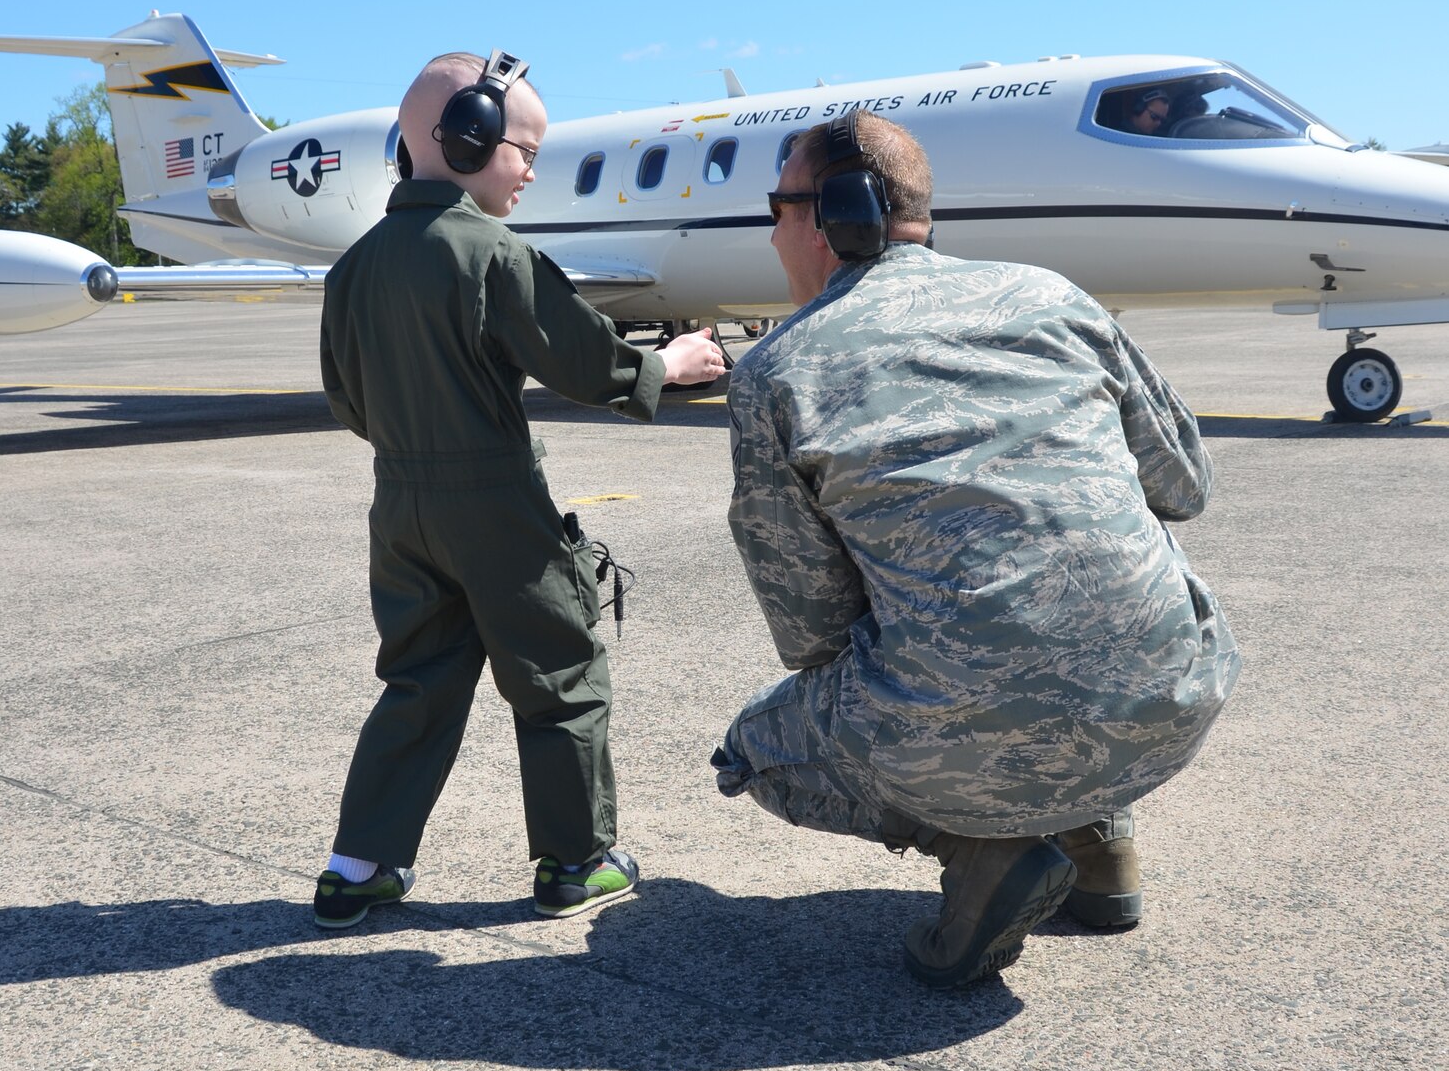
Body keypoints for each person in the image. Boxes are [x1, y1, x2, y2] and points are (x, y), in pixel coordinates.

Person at [712, 112, 1240, 988]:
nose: (772, 233)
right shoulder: (1054, 299)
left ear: (835, 213)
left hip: (969, 722)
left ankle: (988, 853)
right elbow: (1185, 486)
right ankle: (1099, 846)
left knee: (753, 749)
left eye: (776, 208)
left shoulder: (777, 371)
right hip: (1171, 697)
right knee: (1066, 627)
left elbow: (812, 634)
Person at [315, 49, 723, 929]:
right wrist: (666, 364)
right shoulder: (493, 253)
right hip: (495, 502)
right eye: (523, 151)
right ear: (470, 138)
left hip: (399, 502)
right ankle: (576, 864)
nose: (532, 171)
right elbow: (581, 359)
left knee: (418, 681)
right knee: (560, 676)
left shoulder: (352, 267)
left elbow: (345, 396)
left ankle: (357, 868)